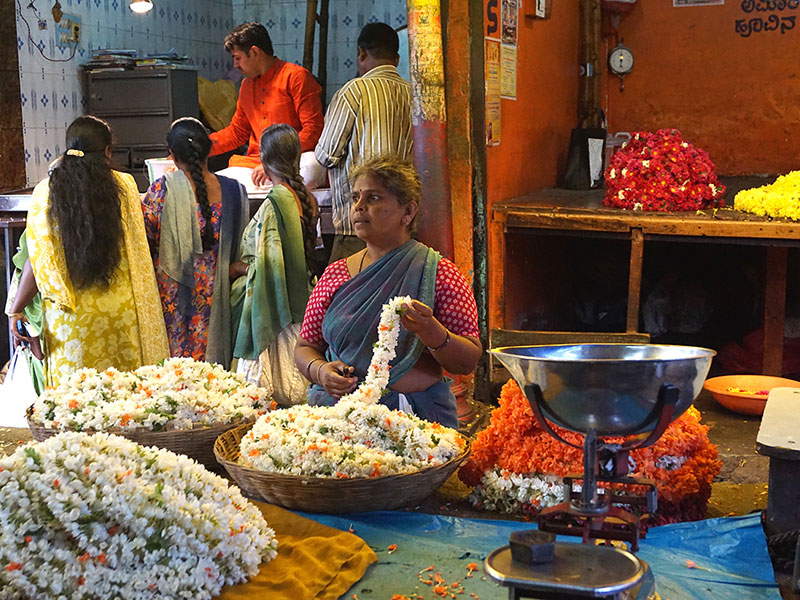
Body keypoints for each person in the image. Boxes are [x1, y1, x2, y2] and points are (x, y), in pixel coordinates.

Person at [294, 156, 481, 428]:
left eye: (374, 198)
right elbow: (306, 347)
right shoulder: (335, 274)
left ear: (408, 212)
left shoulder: (439, 274)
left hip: (415, 423)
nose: (359, 207)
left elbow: (468, 361)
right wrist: (321, 371)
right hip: (338, 418)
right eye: (356, 197)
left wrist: (431, 332)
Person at [8, 116, 169, 387]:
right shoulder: (126, 186)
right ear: (107, 151)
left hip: (71, 319)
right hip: (123, 315)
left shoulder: (45, 193)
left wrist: (16, 310)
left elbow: (38, 263)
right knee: (124, 402)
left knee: (78, 407)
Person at [142, 117, 249, 367]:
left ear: (172, 156)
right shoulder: (236, 191)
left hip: (174, 304)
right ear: (209, 150)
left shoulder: (161, 190)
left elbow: (144, 243)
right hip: (219, 300)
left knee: (176, 377)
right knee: (213, 378)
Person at [231, 124, 318, 405]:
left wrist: (240, 269)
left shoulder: (275, 204)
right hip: (303, 299)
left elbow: (270, 270)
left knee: (269, 395)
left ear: (265, 162)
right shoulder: (307, 200)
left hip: (277, 312)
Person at [315, 22, 414, 263]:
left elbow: (326, 155)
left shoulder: (352, 93)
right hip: (403, 227)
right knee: (398, 298)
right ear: (397, 58)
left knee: (348, 297)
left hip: (357, 230)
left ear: (361, 52)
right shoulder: (415, 94)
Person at [210, 22, 324, 187]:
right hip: (255, 164)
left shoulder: (296, 77)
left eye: (237, 58)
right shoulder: (246, 86)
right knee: (219, 186)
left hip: (292, 160)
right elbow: (237, 133)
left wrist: (275, 162)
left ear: (255, 52)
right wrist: (200, 147)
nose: (235, 65)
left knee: (312, 168)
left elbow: (313, 130)